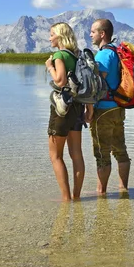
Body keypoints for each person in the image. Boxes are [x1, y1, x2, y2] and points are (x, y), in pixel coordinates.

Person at [45, 22, 90, 201]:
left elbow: (60, 81)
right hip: (78, 108)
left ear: (59, 36)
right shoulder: (76, 55)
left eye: (51, 34)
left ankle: (65, 199)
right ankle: (76, 197)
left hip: (62, 109)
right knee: (76, 154)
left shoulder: (60, 55)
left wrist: (50, 66)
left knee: (55, 156)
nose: (49, 38)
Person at [86, 18, 131, 195]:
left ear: (102, 34)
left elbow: (96, 84)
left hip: (103, 110)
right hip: (117, 108)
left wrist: (88, 109)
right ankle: (123, 188)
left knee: (102, 155)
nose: (90, 34)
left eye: (93, 31)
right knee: (120, 150)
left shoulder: (104, 54)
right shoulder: (116, 52)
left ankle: (101, 193)